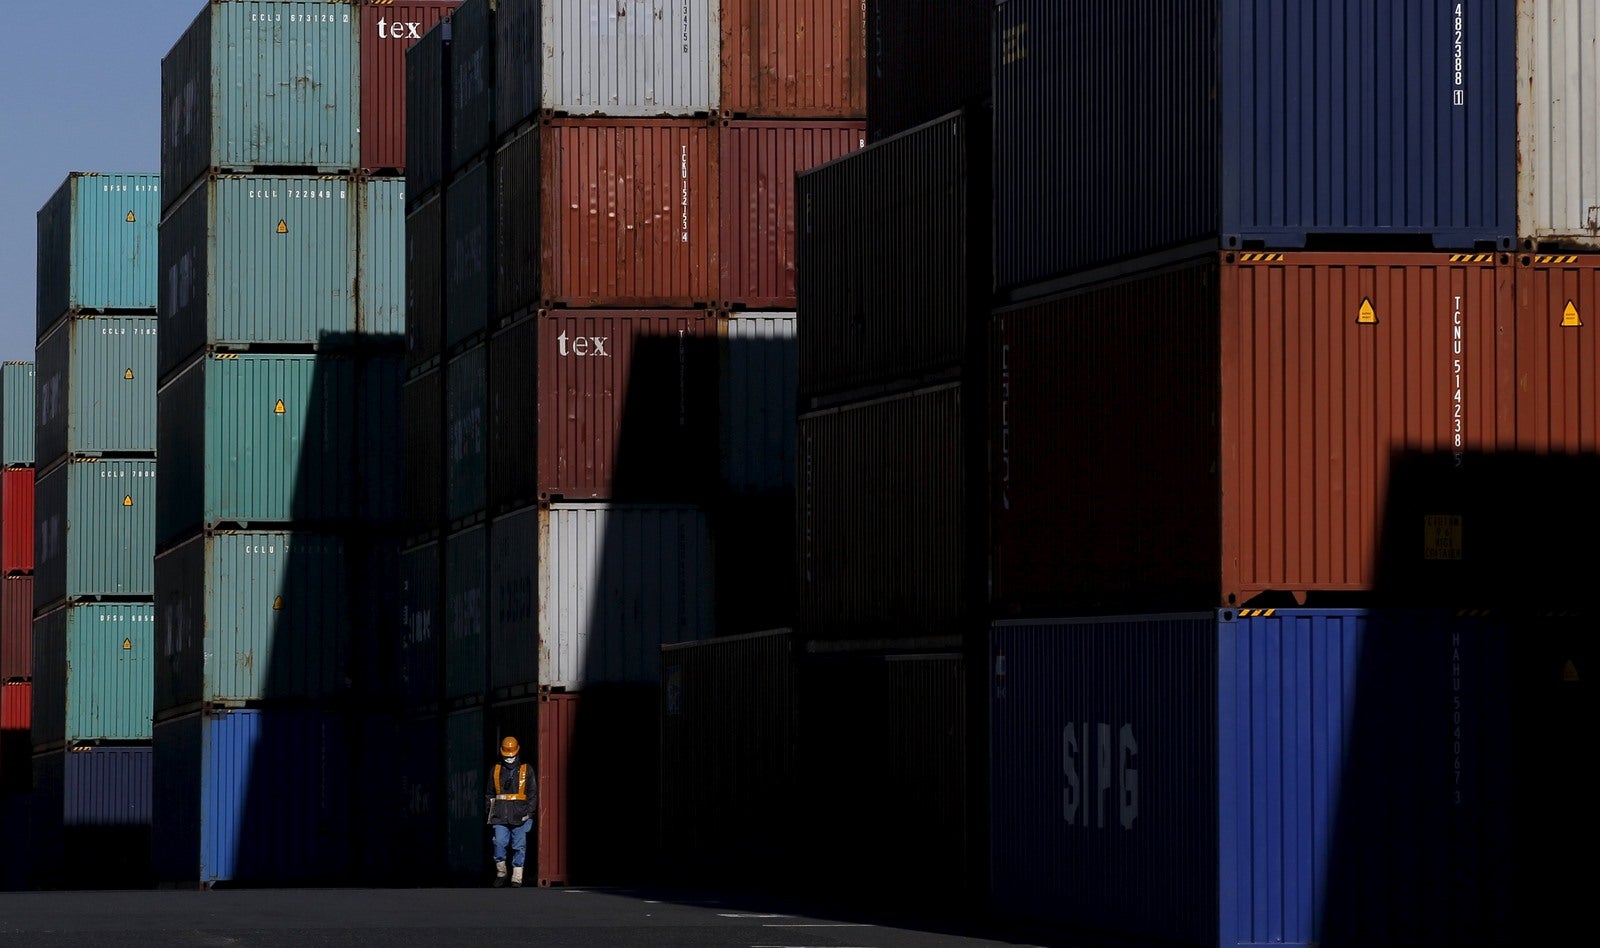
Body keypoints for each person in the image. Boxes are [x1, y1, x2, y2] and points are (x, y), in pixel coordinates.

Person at [485, 734, 536, 887]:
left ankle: (517, 878)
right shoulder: (496, 770)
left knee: (519, 846)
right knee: (499, 843)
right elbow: (489, 793)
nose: (509, 759)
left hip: (520, 815)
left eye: (512, 756)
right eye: (506, 756)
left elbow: (532, 793)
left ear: (517, 753)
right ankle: (501, 873)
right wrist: (490, 811)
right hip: (500, 816)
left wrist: (530, 813)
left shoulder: (527, 770)